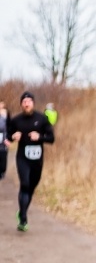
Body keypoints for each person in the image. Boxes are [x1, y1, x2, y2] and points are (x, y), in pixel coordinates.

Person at [6, 91, 55, 232]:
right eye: (24, 101)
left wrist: (39, 137)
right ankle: (23, 219)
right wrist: (13, 137)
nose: (26, 103)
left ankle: (22, 211)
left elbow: (51, 138)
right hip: (22, 158)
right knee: (25, 184)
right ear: (21, 104)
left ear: (33, 103)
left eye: (29, 101)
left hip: (37, 160)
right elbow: (8, 137)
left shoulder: (42, 119)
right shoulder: (16, 120)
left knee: (31, 187)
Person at [0, 101, 8, 180]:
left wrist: (7, 138)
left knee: (3, 156)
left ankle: (2, 171)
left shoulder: (5, 115)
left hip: (3, 140)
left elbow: (8, 128)